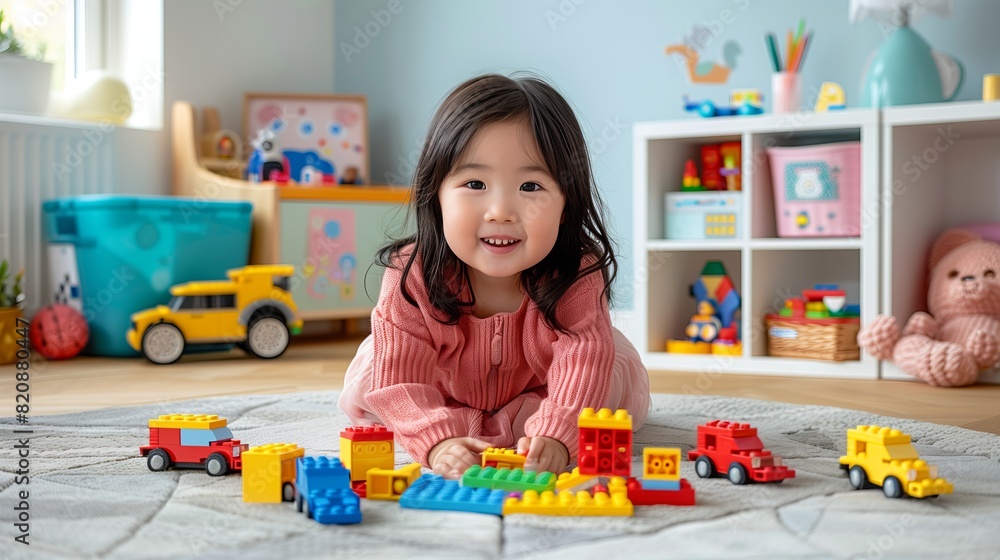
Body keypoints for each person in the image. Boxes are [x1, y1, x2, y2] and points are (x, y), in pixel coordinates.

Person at [338, 73, 650, 478]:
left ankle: (511, 425)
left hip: (540, 389)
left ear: (566, 205)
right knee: (374, 377)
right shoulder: (412, 274)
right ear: (436, 197)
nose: (500, 210)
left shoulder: (575, 272)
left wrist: (556, 435)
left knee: (607, 381)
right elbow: (399, 381)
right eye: (475, 183)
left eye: (530, 186)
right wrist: (436, 440)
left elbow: (580, 364)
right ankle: (463, 424)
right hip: (440, 384)